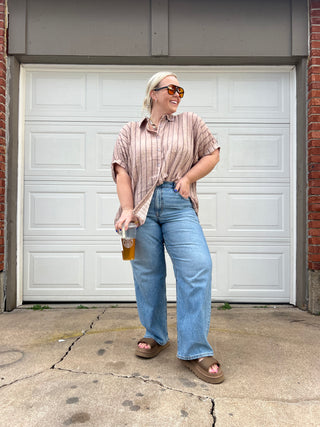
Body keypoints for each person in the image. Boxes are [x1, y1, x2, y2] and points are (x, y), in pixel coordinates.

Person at [111, 71, 224, 384]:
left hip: (178, 205)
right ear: (153, 93)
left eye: (181, 90)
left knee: (198, 265)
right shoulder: (130, 131)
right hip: (140, 209)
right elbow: (123, 174)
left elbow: (213, 152)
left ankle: (195, 349)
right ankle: (156, 334)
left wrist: (188, 178)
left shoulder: (190, 122)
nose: (177, 94)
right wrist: (128, 210)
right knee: (147, 273)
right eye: (172, 89)